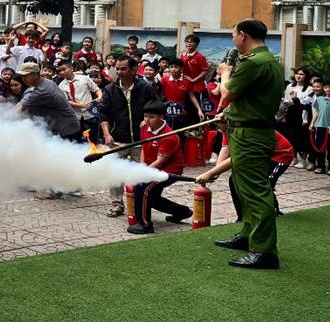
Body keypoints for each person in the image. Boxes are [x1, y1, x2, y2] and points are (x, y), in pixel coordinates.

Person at [214, 18, 286, 269]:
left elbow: (226, 93)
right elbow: (253, 99)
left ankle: (264, 251)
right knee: (245, 189)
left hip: (251, 136)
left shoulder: (253, 63)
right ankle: (247, 235)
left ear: (243, 35)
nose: (233, 40)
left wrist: (225, 73)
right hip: (251, 130)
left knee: (256, 192)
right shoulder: (271, 61)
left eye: (233, 35)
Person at [97, 55, 159, 217]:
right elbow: (103, 114)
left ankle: (141, 202)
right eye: (117, 69)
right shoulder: (110, 89)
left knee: (143, 172)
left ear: (133, 70)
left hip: (141, 139)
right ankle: (117, 203)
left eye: (123, 69)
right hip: (117, 139)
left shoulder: (144, 87)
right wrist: (107, 134)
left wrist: (147, 122)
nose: (119, 71)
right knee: (115, 172)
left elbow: (156, 107)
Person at [127, 100, 192, 234]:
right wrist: (142, 166)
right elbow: (144, 148)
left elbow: (161, 161)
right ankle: (183, 212)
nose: (147, 120)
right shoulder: (144, 127)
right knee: (153, 199)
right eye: (145, 116)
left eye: (152, 117)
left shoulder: (170, 137)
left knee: (143, 187)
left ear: (162, 117)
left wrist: (143, 173)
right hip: (153, 167)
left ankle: (145, 225)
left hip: (169, 171)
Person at [196, 129, 294, 217]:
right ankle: (242, 216)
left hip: (279, 154)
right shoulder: (228, 128)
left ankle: (271, 213)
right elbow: (226, 148)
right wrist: (216, 172)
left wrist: (210, 173)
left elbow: (237, 158)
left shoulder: (244, 129)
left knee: (262, 183)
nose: (219, 127)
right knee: (234, 179)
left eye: (222, 122)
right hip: (259, 155)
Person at [309, 77, 330, 176]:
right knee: (319, 148)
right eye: (326, 87)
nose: (328, 89)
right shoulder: (319, 99)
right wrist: (312, 123)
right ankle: (320, 166)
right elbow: (316, 112)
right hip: (320, 127)